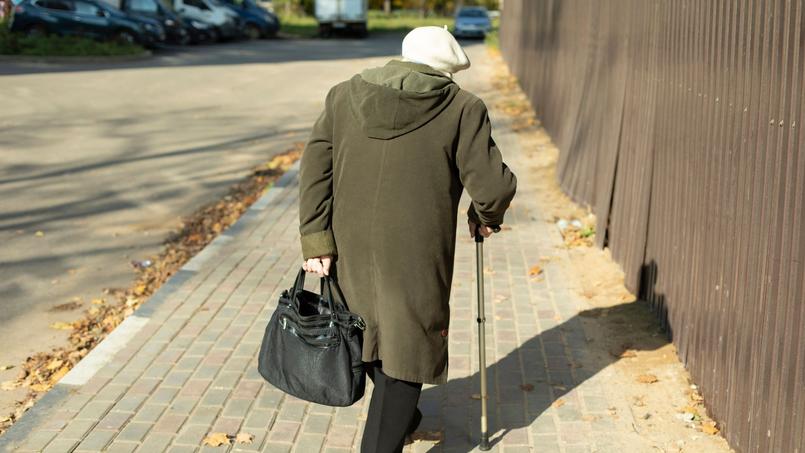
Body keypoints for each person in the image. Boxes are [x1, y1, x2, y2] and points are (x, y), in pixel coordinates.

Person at [298, 25, 517, 453]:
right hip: (417, 250)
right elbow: (492, 187)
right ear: (447, 70)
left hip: (349, 242)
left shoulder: (343, 95)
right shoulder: (462, 107)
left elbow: (314, 171)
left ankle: (405, 416)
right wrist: (485, 215)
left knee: (370, 332)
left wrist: (316, 239)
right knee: (408, 347)